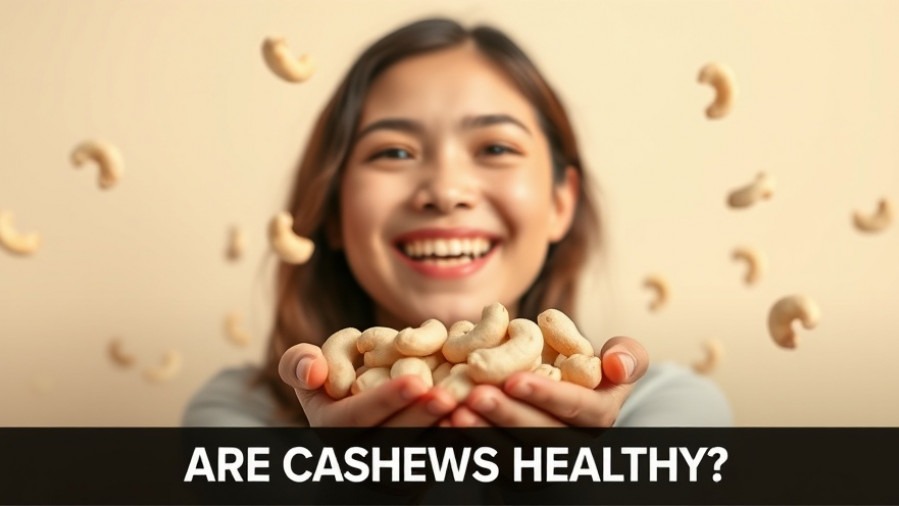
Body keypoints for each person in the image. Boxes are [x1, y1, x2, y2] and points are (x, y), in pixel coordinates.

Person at [182, 17, 732, 428]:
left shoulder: (669, 411)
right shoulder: (236, 416)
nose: (445, 192)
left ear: (561, 203)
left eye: (495, 147)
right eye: (394, 152)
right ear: (330, 211)